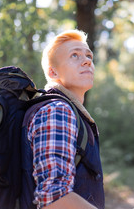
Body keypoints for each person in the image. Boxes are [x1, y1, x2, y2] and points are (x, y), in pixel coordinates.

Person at [25, 29, 105, 209]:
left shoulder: (69, 111)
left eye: (88, 56)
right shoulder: (58, 111)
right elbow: (53, 197)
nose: (87, 61)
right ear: (53, 73)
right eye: (74, 55)